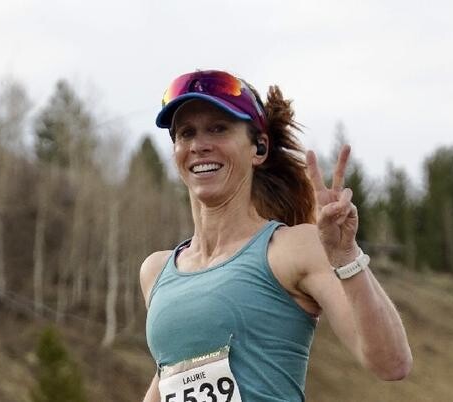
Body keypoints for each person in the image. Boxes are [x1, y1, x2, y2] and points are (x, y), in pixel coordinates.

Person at [140, 70, 412, 401]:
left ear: (259, 148)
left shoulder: (293, 249)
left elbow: (392, 363)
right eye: (186, 133)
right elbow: (170, 377)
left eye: (218, 129)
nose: (199, 145)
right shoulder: (157, 272)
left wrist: (346, 256)